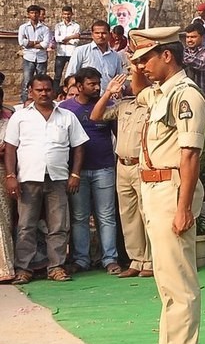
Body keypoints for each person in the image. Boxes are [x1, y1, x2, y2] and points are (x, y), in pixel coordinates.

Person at [127, 27, 205, 344]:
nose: (141, 67)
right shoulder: (162, 93)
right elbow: (137, 93)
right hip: (154, 187)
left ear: (167, 55)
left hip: (173, 187)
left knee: (179, 279)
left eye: (146, 59)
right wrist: (134, 63)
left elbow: (190, 154)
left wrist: (183, 206)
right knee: (165, 277)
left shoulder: (187, 96)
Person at [4, 74, 88, 282]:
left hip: (58, 178)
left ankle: (56, 267)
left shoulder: (66, 116)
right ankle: (24, 267)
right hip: (28, 178)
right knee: (26, 225)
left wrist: (75, 174)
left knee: (59, 225)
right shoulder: (20, 116)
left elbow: (79, 147)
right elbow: (11, 149)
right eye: (39, 90)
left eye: (47, 89)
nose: (44, 93)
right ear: (30, 91)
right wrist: (10, 175)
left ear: (53, 90)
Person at [92, 67, 153, 278]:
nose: (128, 84)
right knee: (128, 215)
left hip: (142, 164)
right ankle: (137, 260)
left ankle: (152, 260)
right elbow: (96, 115)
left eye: (133, 79)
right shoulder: (123, 104)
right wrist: (108, 92)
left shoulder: (152, 103)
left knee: (147, 214)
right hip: (123, 165)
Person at [61, 68, 122, 275]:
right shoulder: (65, 109)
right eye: (91, 84)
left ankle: (110, 259)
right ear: (79, 87)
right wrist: (72, 172)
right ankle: (81, 259)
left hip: (104, 168)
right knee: (79, 217)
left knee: (106, 216)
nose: (97, 88)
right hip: (77, 172)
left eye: (98, 83)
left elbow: (118, 135)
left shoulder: (108, 105)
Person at [66, 19, 127, 88]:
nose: (100, 36)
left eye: (104, 33)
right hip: (86, 97)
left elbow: (120, 79)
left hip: (109, 96)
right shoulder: (81, 51)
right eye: (97, 33)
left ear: (110, 35)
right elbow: (70, 76)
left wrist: (119, 89)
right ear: (92, 35)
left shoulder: (116, 56)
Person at [18, 5, 52, 104]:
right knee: (27, 81)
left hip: (41, 58)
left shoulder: (45, 29)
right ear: (28, 14)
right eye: (32, 13)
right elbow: (22, 42)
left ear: (39, 14)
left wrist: (30, 43)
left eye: (36, 13)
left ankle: (41, 101)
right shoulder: (23, 27)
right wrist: (37, 42)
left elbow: (45, 44)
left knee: (42, 83)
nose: (34, 15)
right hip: (28, 57)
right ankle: (25, 102)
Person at [182, 22, 205, 101]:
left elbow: (203, 64)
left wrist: (181, 56)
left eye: (193, 37)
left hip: (202, 96)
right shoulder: (184, 52)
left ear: (203, 37)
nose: (189, 40)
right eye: (187, 37)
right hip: (184, 96)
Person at [0, 89, 14, 282]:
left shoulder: (10, 117)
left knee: (4, 218)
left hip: (4, 171)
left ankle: (5, 268)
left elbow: (10, 147)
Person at [52, 5, 81, 88]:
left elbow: (76, 41)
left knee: (72, 74)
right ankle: (56, 93)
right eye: (65, 14)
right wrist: (72, 37)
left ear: (72, 14)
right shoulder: (58, 26)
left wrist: (67, 39)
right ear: (62, 14)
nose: (66, 16)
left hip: (72, 52)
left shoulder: (76, 26)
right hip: (60, 53)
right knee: (57, 75)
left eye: (68, 14)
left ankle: (71, 91)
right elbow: (57, 39)